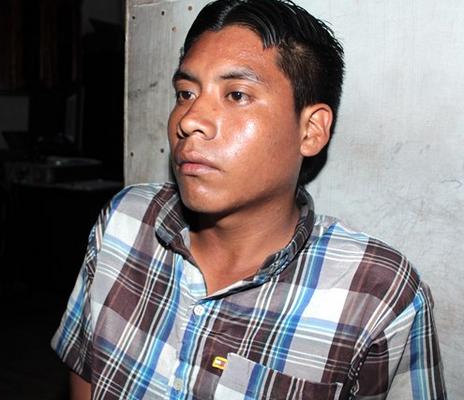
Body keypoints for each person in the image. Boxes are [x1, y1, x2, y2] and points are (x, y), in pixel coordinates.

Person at [51, 0, 446, 398]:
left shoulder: (377, 293)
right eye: (186, 93)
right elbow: (86, 371)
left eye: (237, 94)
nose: (189, 119)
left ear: (311, 130)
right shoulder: (125, 220)